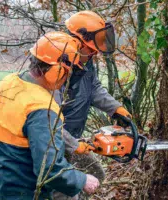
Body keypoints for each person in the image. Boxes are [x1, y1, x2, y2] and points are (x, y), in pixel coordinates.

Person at [0, 32, 100, 200]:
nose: (67, 77)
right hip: (27, 192)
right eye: (67, 72)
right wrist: (82, 180)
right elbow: (49, 168)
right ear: (55, 70)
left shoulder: (8, 83)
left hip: (2, 184)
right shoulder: (41, 108)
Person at [53, 11, 133, 199]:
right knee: (63, 190)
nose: (94, 53)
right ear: (76, 41)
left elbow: (93, 87)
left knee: (96, 174)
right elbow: (49, 123)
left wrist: (115, 108)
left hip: (72, 136)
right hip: (54, 142)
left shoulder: (85, 61)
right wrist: (72, 145)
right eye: (91, 49)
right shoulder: (54, 67)